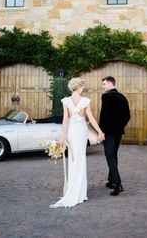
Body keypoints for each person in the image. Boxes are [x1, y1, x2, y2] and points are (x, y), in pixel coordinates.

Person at [50, 77, 105, 208]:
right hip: (80, 131)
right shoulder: (85, 101)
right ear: (79, 87)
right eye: (82, 86)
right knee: (80, 159)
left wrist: (62, 138)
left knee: (73, 160)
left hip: (71, 132)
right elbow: (90, 118)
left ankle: (74, 190)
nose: (83, 89)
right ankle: (79, 192)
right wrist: (100, 132)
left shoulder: (66, 101)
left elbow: (65, 120)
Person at [99, 76, 130, 196]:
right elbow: (128, 115)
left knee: (110, 156)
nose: (103, 86)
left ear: (110, 83)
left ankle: (118, 184)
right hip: (118, 132)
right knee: (113, 155)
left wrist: (101, 132)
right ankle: (111, 181)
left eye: (104, 84)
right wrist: (121, 126)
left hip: (108, 132)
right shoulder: (122, 97)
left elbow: (104, 115)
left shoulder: (106, 96)